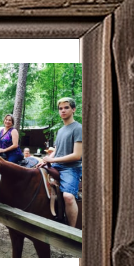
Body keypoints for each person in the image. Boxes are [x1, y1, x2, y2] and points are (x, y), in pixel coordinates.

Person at [36, 97, 82, 227]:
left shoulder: (78, 128)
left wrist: (52, 159)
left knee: (68, 196)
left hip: (71, 168)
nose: (63, 111)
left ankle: (71, 231)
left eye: (66, 107)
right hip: (56, 165)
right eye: (60, 108)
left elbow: (77, 155)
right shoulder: (60, 130)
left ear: (73, 109)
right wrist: (46, 160)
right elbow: (56, 149)